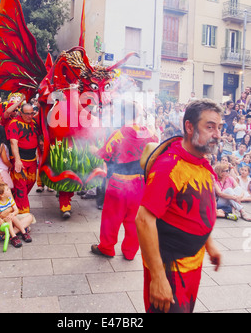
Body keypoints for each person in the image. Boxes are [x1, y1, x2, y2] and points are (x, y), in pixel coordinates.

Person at [136, 99, 222, 313]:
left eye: (219, 127)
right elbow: (143, 220)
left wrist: (208, 244)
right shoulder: (170, 167)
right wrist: (157, 277)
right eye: (210, 127)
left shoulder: (199, 159)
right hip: (170, 269)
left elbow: (194, 210)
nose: (217, 134)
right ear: (189, 126)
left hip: (193, 263)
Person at [91, 101, 157, 260]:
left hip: (119, 184)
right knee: (134, 220)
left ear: (121, 114)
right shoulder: (150, 132)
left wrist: (93, 149)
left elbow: (104, 155)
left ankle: (106, 248)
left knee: (111, 218)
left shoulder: (119, 133)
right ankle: (129, 252)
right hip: (140, 184)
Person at [0, 167, 34, 238]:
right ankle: (21, 229)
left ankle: (7, 235)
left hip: (9, 216)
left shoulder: (4, 187)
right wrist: (0, 217)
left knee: (29, 217)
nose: (2, 177)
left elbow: (13, 205)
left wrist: (8, 212)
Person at [7, 103, 41, 213]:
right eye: (27, 114)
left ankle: (15, 203)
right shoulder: (14, 123)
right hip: (20, 160)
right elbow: (13, 142)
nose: (30, 116)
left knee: (31, 181)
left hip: (32, 159)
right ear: (21, 113)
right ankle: (23, 213)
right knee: (20, 186)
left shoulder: (34, 122)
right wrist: (17, 160)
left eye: (32, 113)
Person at [0, 183, 32, 248]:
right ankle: (13, 237)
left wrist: (13, 214)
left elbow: (16, 210)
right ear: (2, 195)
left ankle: (23, 232)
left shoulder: (9, 199)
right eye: (7, 190)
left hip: (11, 217)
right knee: (8, 219)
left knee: (13, 217)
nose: (9, 190)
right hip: (3, 221)